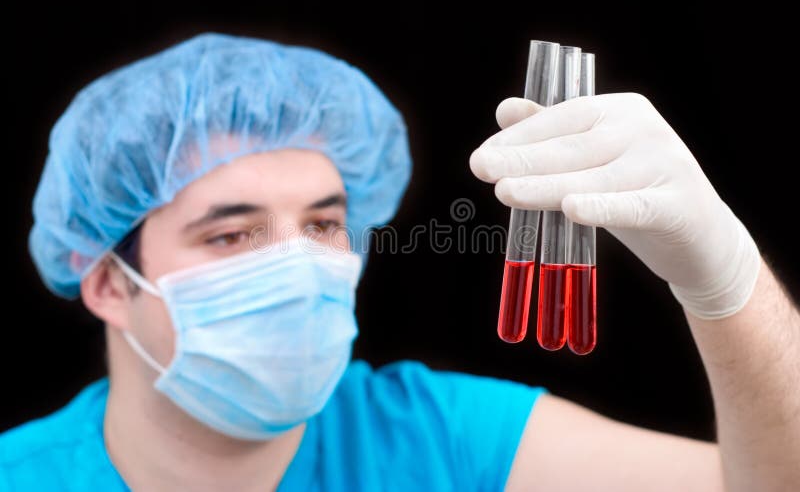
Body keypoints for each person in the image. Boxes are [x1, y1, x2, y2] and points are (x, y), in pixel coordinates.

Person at [0, 32, 797, 491]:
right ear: (106, 281)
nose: (297, 266)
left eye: (323, 224)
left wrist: (724, 281)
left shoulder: (440, 438)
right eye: (232, 235)